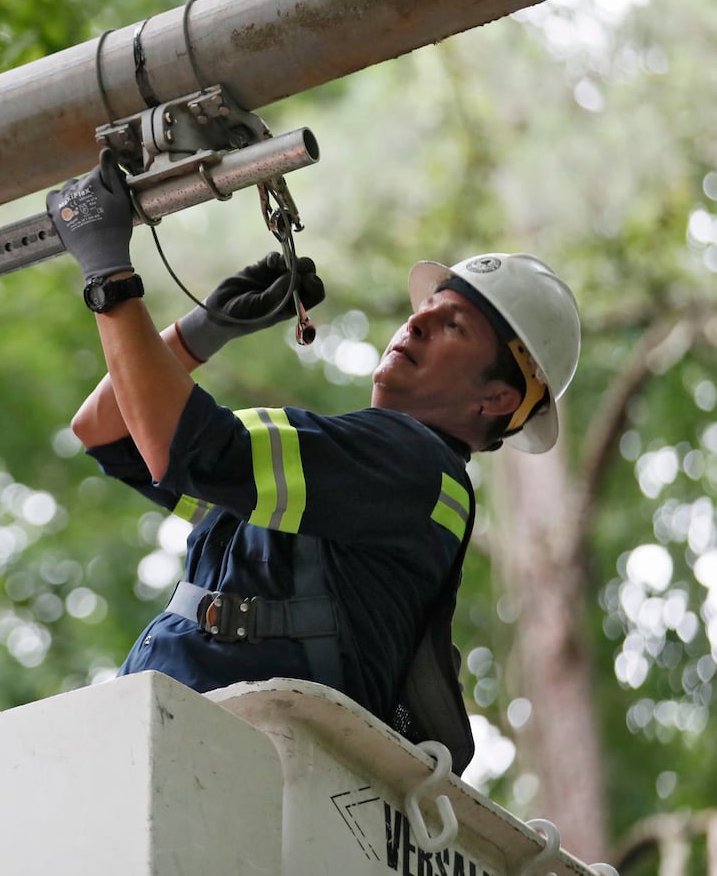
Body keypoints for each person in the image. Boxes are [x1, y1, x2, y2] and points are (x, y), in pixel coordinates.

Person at [46, 151, 581, 737]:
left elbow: (187, 447)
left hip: (223, 750)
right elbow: (108, 430)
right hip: (182, 737)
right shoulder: (342, 483)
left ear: (498, 400)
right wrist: (202, 331)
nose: (415, 324)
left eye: (452, 324)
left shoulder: (412, 463)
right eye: (424, 310)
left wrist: (108, 275)